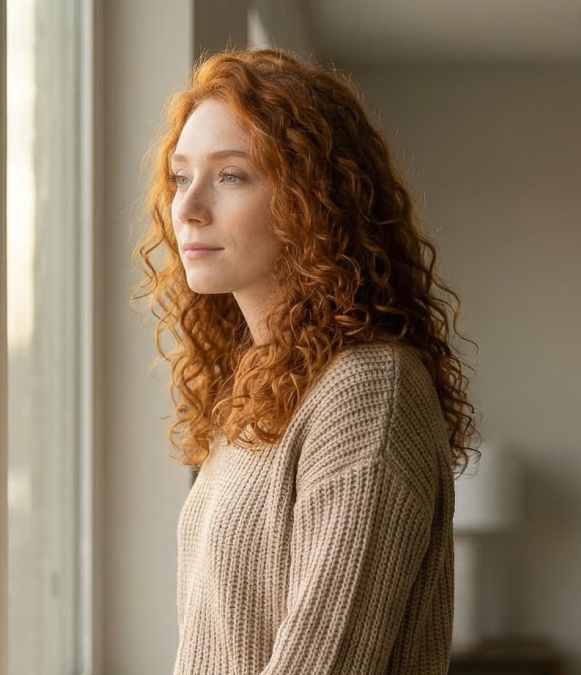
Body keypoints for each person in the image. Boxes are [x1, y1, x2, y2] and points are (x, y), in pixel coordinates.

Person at [134, 48, 478, 675]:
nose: (186, 206)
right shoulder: (260, 384)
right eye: (182, 176)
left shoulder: (370, 391)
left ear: (314, 199)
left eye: (231, 175)